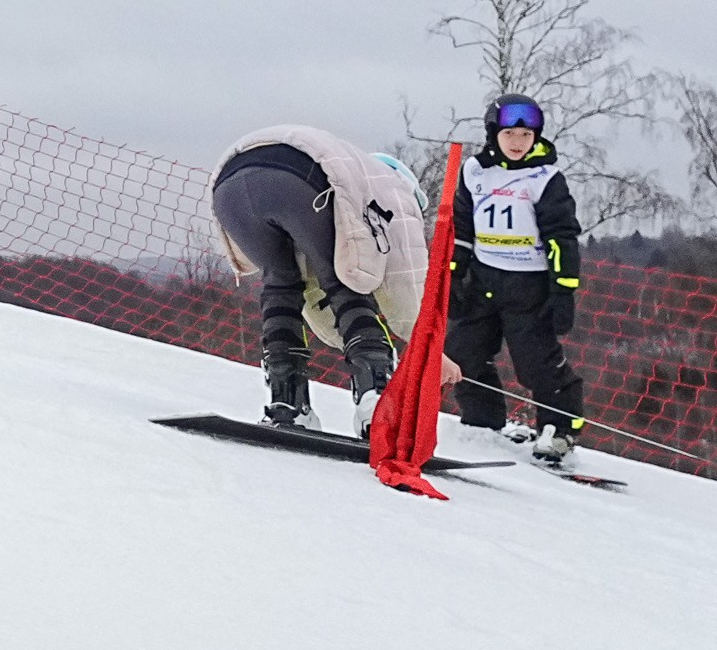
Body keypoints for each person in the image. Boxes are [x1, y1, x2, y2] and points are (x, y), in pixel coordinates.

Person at [211, 126, 429, 435]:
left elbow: (312, 296)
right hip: (295, 180)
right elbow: (405, 279)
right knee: (346, 279)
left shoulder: (354, 173)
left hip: (229, 187)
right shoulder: (395, 190)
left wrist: (341, 333)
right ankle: (376, 401)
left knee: (281, 285)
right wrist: (427, 346)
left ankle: (287, 405)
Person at [447, 94, 586, 464]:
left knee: (536, 361)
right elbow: (461, 226)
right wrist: (454, 272)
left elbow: (562, 237)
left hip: (529, 286)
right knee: (463, 351)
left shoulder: (545, 178)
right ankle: (482, 417)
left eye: (526, 136)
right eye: (510, 134)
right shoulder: (474, 171)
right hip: (482, 280)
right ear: (495, 134)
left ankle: (558, 429)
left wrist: (564, 290)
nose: (518, 142)